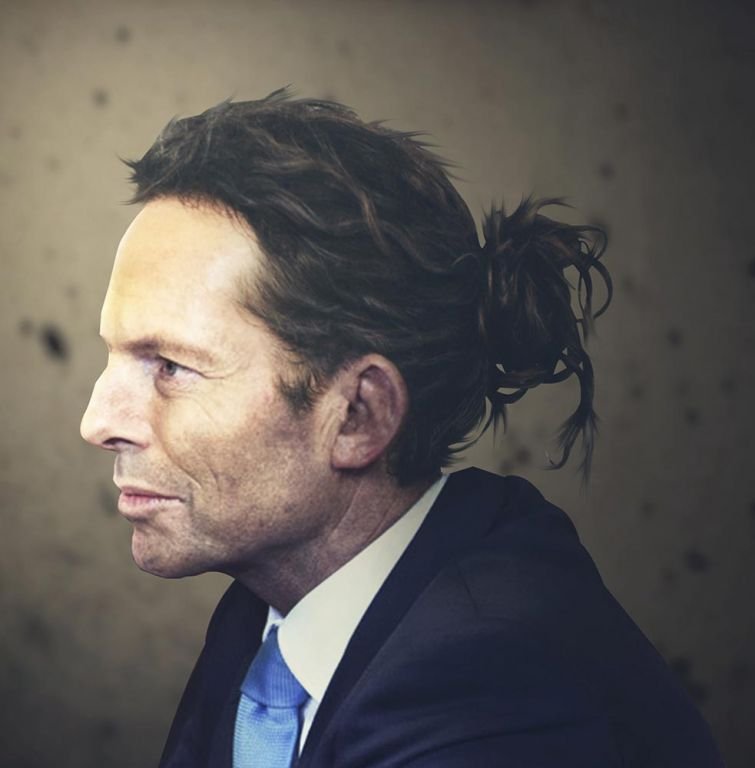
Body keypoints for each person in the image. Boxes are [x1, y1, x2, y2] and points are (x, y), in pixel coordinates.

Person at [80, 89, 723, 768]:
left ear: (358, 415)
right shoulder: (266, 609)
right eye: (114, 355)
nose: (98, 422)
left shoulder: (493, 697)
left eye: (172, 367)